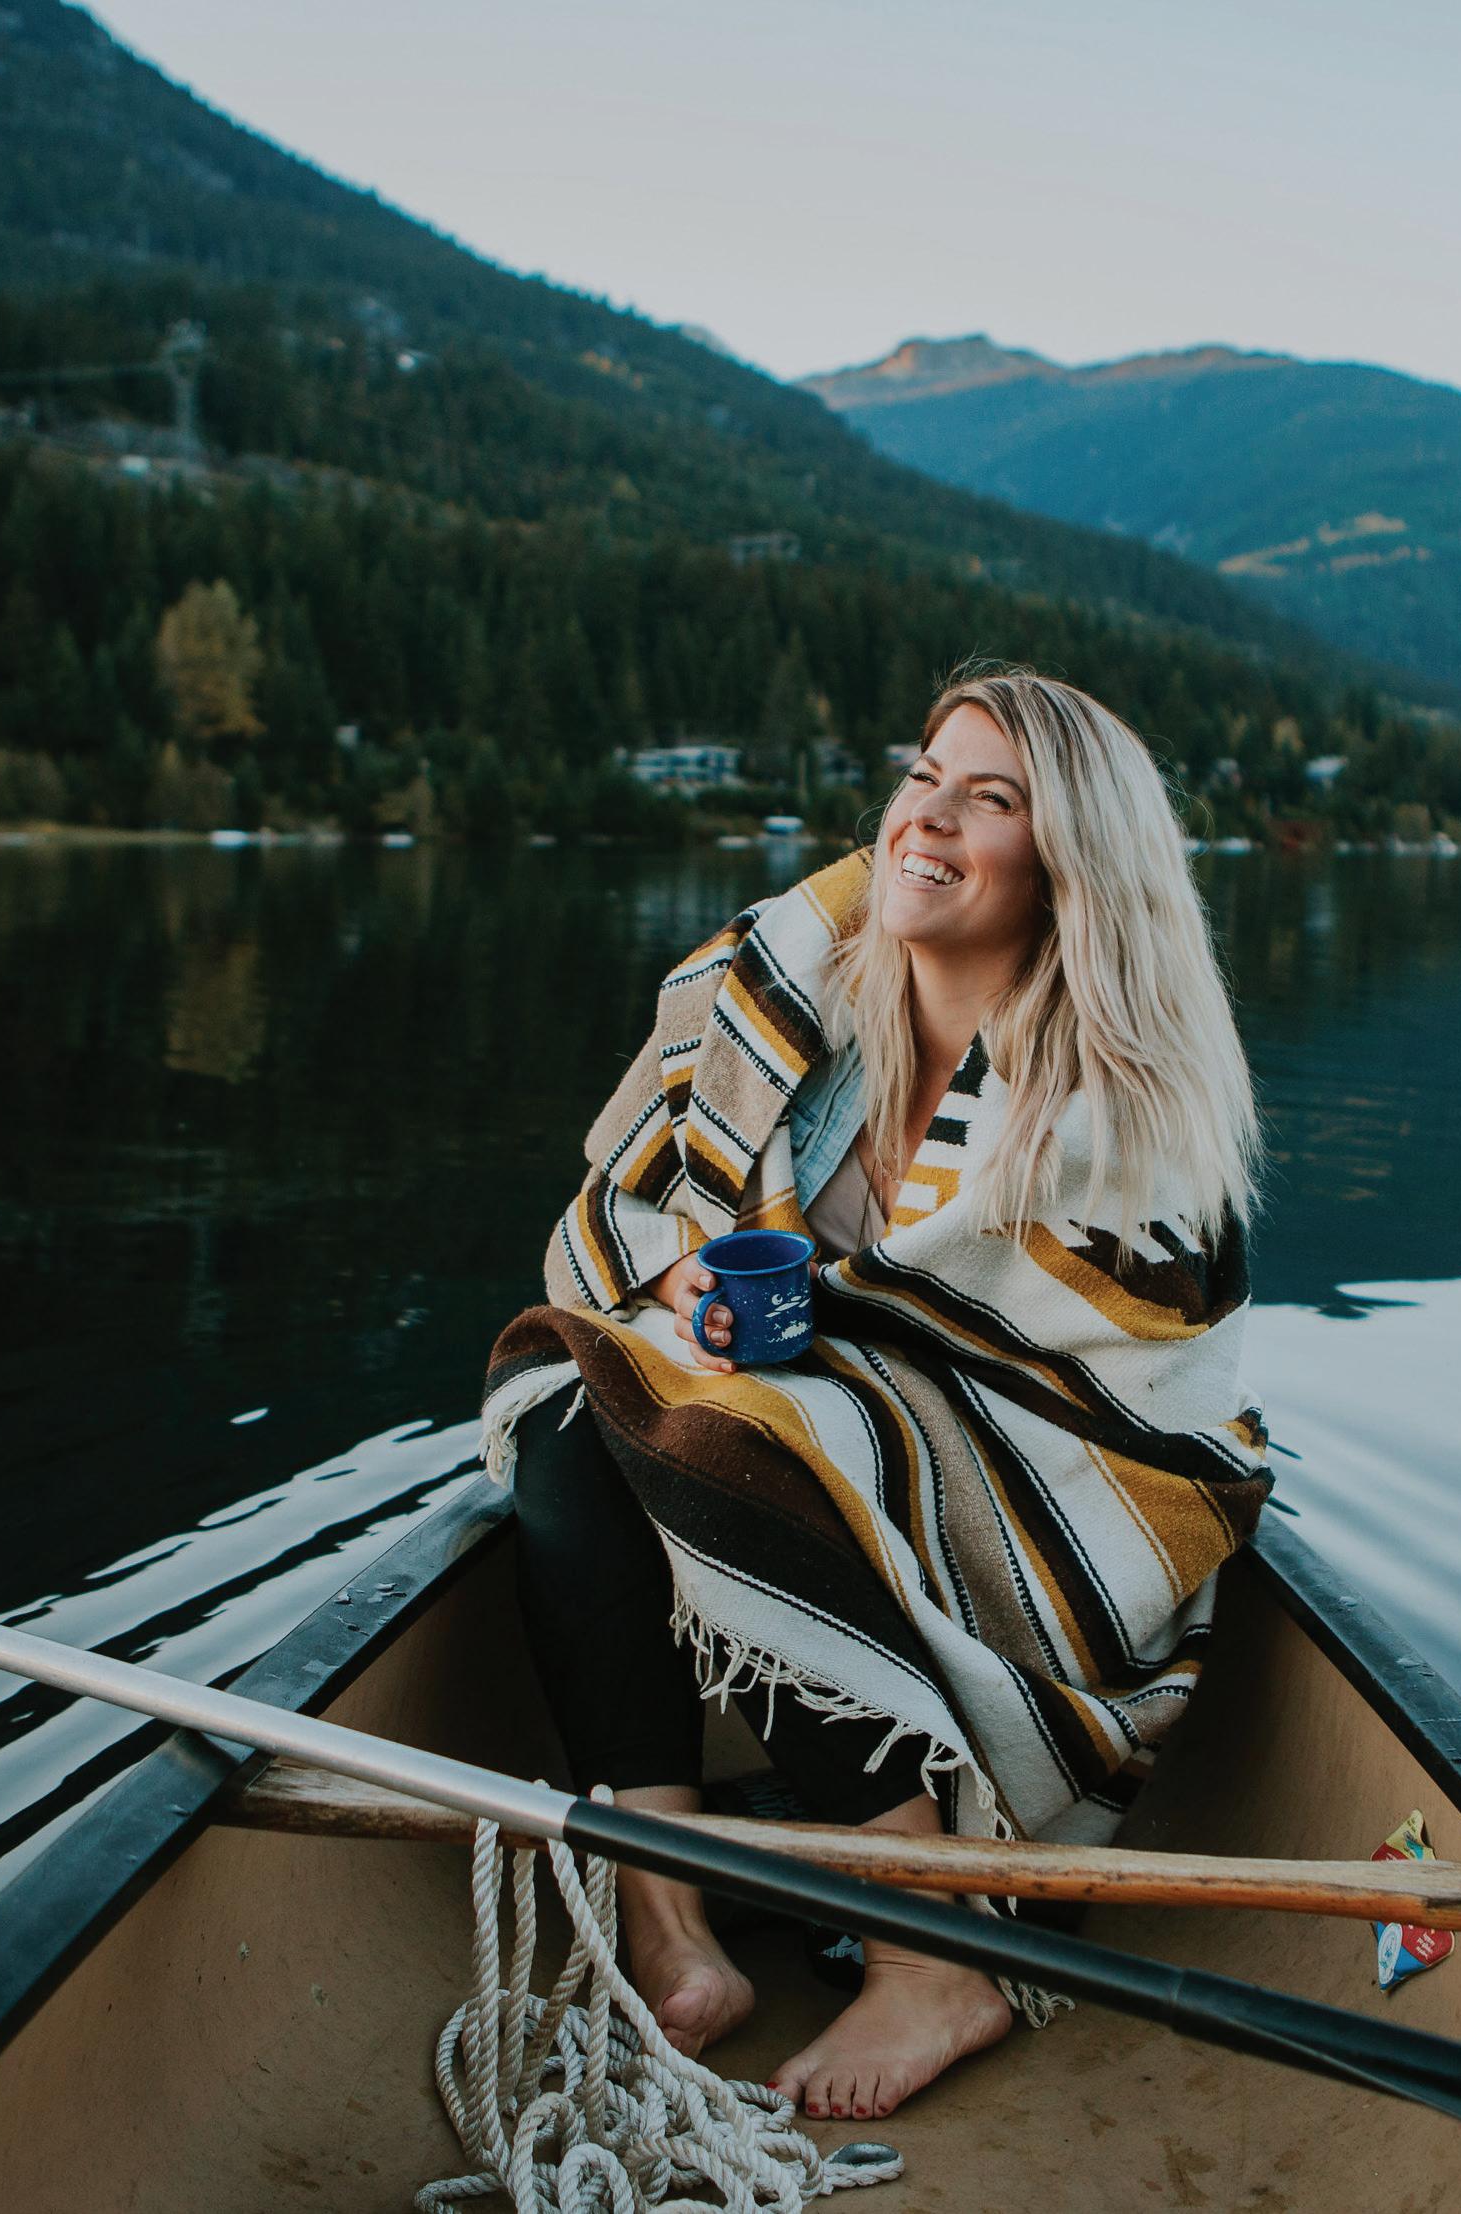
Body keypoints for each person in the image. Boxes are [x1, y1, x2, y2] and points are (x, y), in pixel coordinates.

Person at [481, 662, 1269, 2123]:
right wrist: (683, 1290)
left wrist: (801, 1375)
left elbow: (1097, 1419)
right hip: (834, 1453)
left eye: (991, 799)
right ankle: (667, 1906)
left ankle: (932, 1950)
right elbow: (622, 1213)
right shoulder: (811, 1016)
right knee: (576, 1398)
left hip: (1041, 1538)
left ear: (1073, 861)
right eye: (923, 778)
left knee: (746, 1439)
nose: (928, 819)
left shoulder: (1123, 1108)